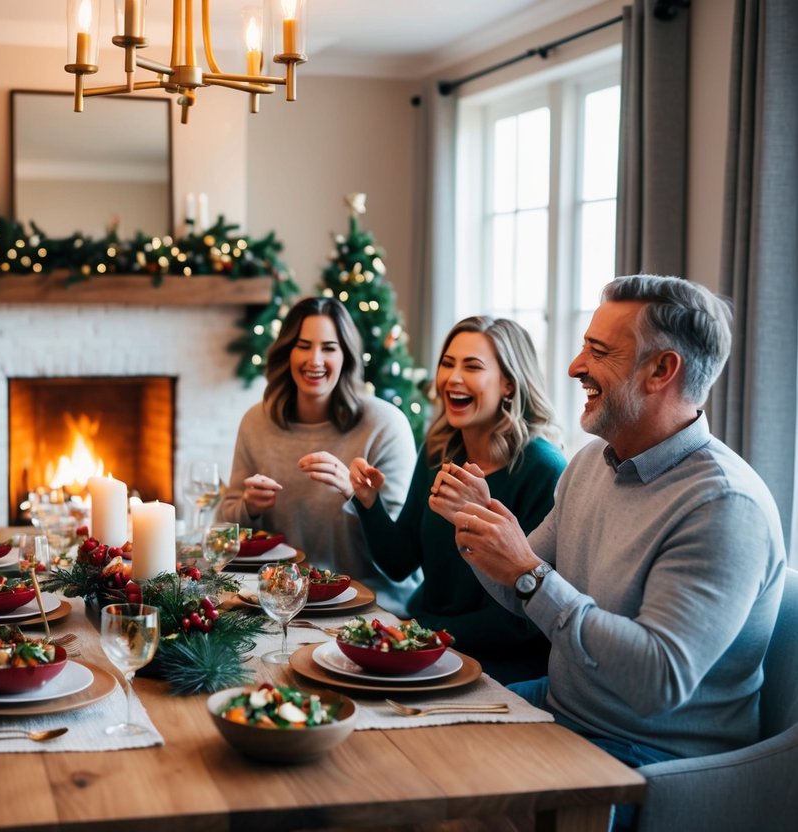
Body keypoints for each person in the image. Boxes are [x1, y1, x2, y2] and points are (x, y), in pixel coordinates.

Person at [445, 276, 785, 822]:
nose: (574, 366)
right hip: (563, 708)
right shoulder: (591, 463)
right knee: (402, 743)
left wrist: (529, 573)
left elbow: (659, 681)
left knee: (438, 801)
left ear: (660, 371)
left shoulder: (722, 503)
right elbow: (519, 592)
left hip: (649, 757)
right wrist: (480, 531)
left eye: (598, 352)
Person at [348, 317, 565, 683]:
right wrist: (370, 502)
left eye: (472, 366)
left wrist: (419, 630)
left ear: (509, 384)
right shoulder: (439, 452)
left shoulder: (544, 471)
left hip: (499, 668)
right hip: (425, 644)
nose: (453, 378)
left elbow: (523, 622)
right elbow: (400, 562)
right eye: (448, 363)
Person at [218, 296, 419, 612]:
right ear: (287, 352)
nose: (314, 360)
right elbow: (225, 525)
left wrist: (356, 496)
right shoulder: (256, 421)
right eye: (303, 345)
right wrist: (249, 508)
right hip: (282, 601)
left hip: (371, 605)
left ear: (346, 357)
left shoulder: (385, 425)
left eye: (329, 347)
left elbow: (400, 554)